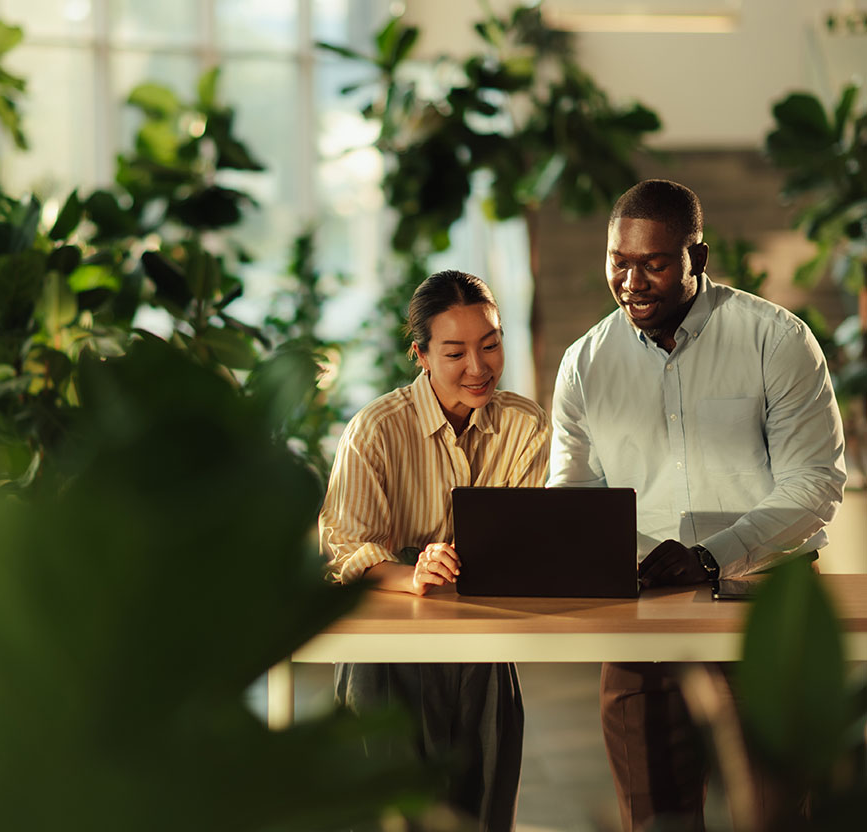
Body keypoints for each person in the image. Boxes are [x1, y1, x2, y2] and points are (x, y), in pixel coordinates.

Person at [547, 179, 847, 830]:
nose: (631, 283)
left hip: (766, 616)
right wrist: (628, 563)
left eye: (653, 264)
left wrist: (710, 558)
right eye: (618, 262)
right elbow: (573, 502)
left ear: (697, 258)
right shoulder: (584, 365)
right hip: (638, 625)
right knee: (655, 820)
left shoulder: (776, 341)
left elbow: (813, 483)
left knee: (776, 817)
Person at [319, 270, 550, 831]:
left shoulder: (525, 426)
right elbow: (341, 553)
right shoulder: (375, 430)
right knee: (392, 815)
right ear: (420, 355)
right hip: (384, 652)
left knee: (484, 812)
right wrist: (410, 573)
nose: (478, 367)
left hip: (484, 647)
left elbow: (526, 542)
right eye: (455, 353)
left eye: (490, 345)